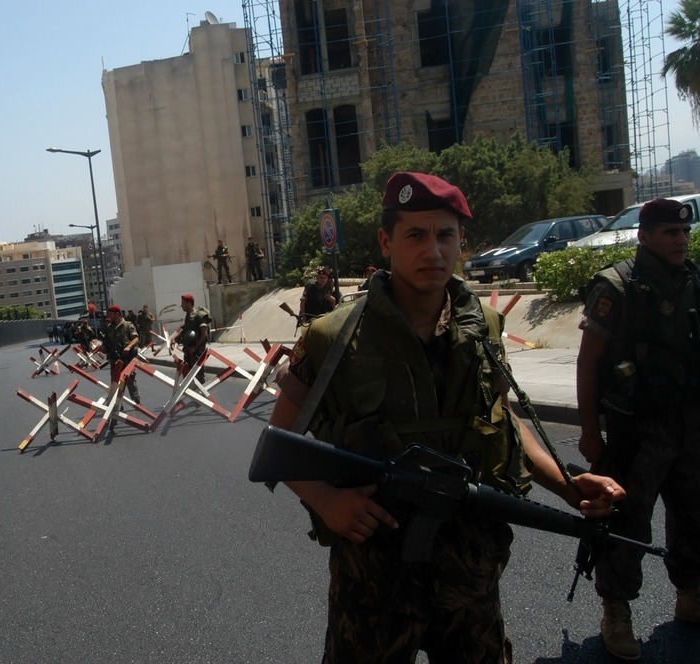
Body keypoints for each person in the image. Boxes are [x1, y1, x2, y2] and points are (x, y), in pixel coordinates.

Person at [265, 172, 625, 663]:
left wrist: (567, 484)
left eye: (445, 235)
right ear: (386, 242)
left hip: (470, 568)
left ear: (462, 243)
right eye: (415, 235)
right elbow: (276, 442)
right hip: (373, 572)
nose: (432, 250)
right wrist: (326, 500)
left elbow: (502, 419)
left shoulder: (485, 328)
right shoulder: (332, 337)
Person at [576, 197, 700, 660]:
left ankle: (691, 592)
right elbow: (588, 363)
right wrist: (590, 430)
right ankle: (617, 609)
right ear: (644, 236)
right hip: (636, 431)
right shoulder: (617, 285)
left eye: (684, 233)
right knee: (629, 523)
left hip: (688, 425)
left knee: (693, 513)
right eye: (670, 232)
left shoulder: (692, 281)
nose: (680, 240)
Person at [101, 304, 142, 403]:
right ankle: (117, 404)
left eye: (111, 313)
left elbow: (136, 339)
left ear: (117, 314)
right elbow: (105, 343)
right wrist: (102, 348)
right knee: (115, 382)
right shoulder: (109, 328)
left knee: (130, 380)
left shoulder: (128, 325)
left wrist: (128, 347)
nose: (109, 315)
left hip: (127, 358)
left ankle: (137, 401)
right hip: (115, 360)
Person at [170, 293, 210, 384]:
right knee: (188, 376)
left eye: (183, 303)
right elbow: (185, 330)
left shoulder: (198, 316)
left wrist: (195, 347)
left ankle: (201, 397)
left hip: (196, 353)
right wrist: (175, 339)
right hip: (188, 351)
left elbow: (204, 334)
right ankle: (194, 396)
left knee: (198, 377)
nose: (181, 305)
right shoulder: (188, 316)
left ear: (189, 303)